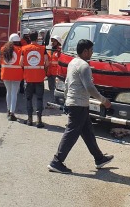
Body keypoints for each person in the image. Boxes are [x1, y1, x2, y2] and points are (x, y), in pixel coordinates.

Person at [47, 39, 114, 174]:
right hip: (78, 104)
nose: (92, 53)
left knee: (88, 132)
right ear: (85, 51)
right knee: (72, 132)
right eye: (91, 50)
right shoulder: (84, 66)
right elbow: (89, 87)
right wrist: (103, 100)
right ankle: (57, 161)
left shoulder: (73, 62)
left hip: (77, 103)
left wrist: (66, 99)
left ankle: (99, 158)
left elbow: (67, 83)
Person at [20, 30, 48, 128]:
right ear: (37, 37)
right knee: (39, 99)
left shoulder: (24, 49)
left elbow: (21, 63)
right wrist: (43, 71)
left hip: (28, 78)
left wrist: (26, 70)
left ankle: (29, 119)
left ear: (29, 37)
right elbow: (46, 63)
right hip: (39, 78)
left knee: (28, 99)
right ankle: (39, 120)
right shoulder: (42, 48)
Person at [1, 33, 23, 121]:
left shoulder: (3, 49)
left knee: (8, 92)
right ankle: (12, 112)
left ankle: (8, 111)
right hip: (16, 75)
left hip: (5, 74)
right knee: (14, 93)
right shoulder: (21, 50)